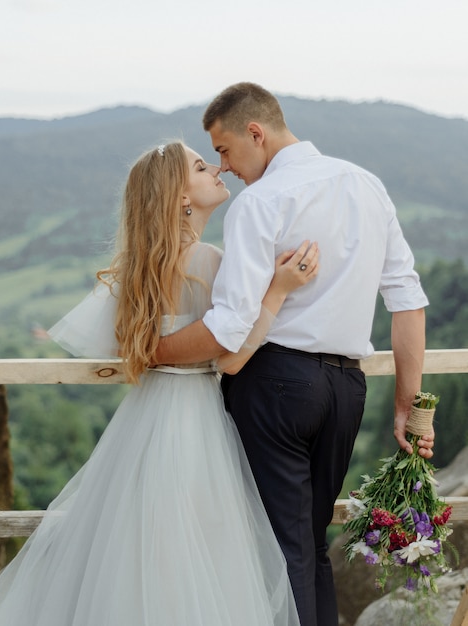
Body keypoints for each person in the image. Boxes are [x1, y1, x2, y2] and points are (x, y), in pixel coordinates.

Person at [0, 141, 321, 625]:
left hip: (146, 417)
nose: (215, 168)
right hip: (194, 419)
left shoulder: (137, 269)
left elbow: (135, 348)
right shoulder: (209, 261)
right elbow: (231, 357)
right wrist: (277, 291)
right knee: (198, 548)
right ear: (180, 198)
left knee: (141, 546)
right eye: (199, 165)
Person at [153, 83, 434, 626]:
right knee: (310, 542)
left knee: (283, 550)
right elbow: (407, 302)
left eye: (225, 149)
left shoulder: (261, 202)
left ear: (255, 133)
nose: (225, 166)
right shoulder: (368, 185)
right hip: (347, 391)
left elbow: (229, 328)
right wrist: (408, 406)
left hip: (275, 384)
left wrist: (153, 349)